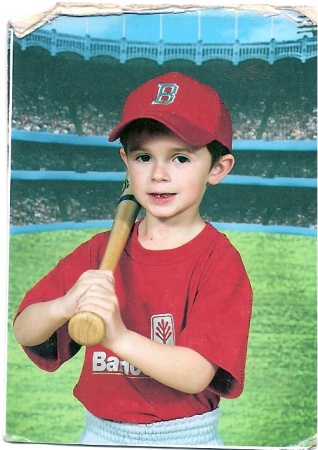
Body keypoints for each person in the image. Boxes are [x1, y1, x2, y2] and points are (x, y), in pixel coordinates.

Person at [13, 72, 253, 446]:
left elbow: (195, 374)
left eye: (180, 158)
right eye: (144, 156)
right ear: (126, 161)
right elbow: (25, 328)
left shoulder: (219, 262)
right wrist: (63, 306)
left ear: (217, 168)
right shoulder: (100, 250)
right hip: (99, 433)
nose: (158, 174)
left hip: (184, 437)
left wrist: (118, 336)